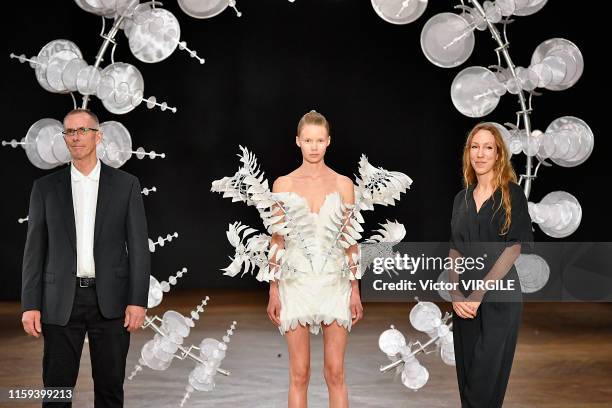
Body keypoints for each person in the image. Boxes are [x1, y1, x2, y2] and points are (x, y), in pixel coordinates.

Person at [20, 108, 151, 407]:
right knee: (56, 392)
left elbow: (138, 248)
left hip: (112, 301)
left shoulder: (126, 185)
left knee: (109, 391)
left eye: (83, 130)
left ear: (98, 135)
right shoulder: (45, 189)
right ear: (64, 137)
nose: (76, 137)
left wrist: (137, 300)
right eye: (70, 132)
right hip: (59, 300)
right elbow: (33, 250)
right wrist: (30, 304)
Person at [268, 111, 361, 408]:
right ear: (298, 141)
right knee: (299, 373)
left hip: (335, 282)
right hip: (295, 282)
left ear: (328, 142)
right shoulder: (283, 184)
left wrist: (355, 288)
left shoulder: (344, 184)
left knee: (335, 372)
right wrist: (273, 288)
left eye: (319, 140)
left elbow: (350, 240)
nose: (313, 146)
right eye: (308, 140)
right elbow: (277, 239)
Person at [448, 123, 534, 408]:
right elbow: (455, 249)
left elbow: (513, 249)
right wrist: (456, 293)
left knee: (485, 385)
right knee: (468, 382)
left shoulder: (512, 194)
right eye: (475, 147)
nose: (480, 154)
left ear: (498, 154)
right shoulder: (461, 199)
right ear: (468, 153)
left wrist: (477, 295)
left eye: (488, 147)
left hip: (499, 299)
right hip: (465, 303)